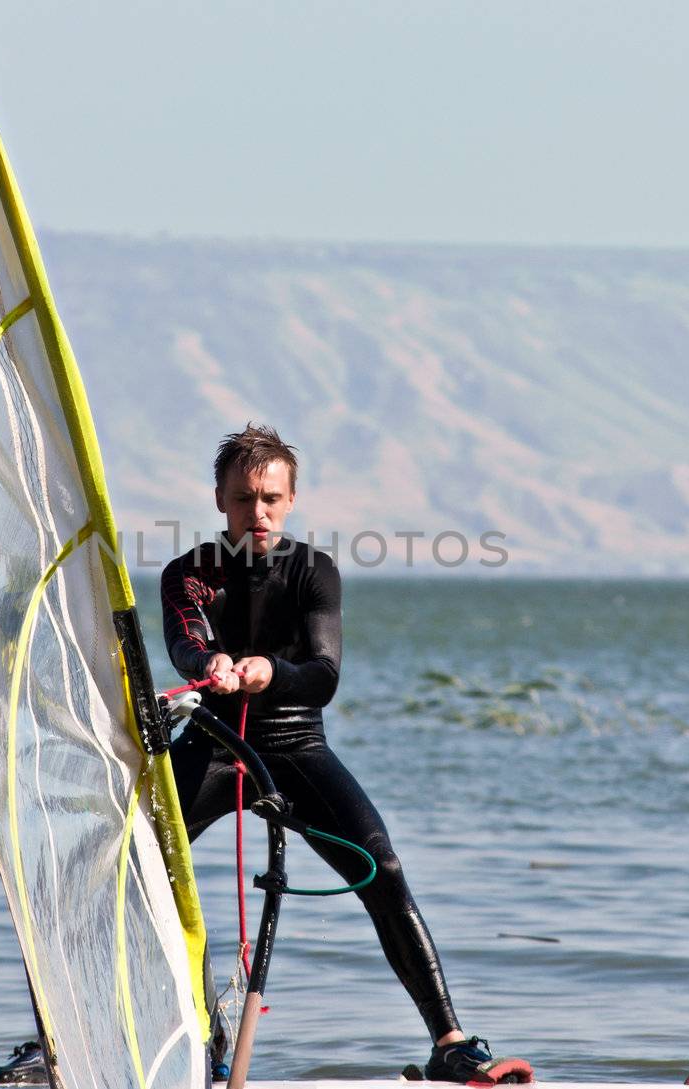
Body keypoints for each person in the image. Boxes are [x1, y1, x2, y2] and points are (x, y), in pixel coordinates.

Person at [161, 424, 533, 1084]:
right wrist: (211, 660)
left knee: (381, 865)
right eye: (245, 498)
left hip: (297, 744)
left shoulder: (314, 572)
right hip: (217, 743)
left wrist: (268, 672)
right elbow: (186, 642)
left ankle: (449, 1041)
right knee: (130, 866)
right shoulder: (188, 574)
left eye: (272, 497)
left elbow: (325, 674)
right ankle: (78, 1034)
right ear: (220, 498)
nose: (259, 513)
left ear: (293, 498)